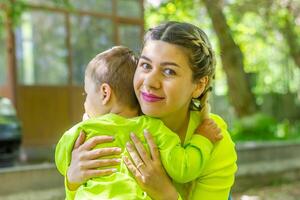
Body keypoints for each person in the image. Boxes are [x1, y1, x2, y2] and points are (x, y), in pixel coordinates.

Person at [66, 21, 238, 200]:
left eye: (169, 71)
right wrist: (72, 180)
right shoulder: (115, 120)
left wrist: (166, 195)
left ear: (199, 85)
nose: (150, 82)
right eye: (146, 66)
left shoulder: (213, 138)